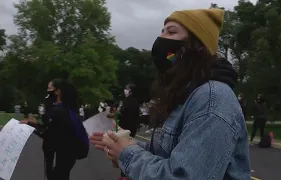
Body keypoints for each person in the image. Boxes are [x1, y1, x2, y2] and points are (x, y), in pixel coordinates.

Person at [90, 8, 250, 180]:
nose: (161, 39)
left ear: (197, 46)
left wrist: (126, 154)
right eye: (162, 31)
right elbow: (167, 154)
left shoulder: (212, 98)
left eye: (171, 31)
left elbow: (182, 176)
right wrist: (124, 144)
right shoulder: (184, 94)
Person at [21, 79, 89, 180]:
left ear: (57, 91)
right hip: (69, 153)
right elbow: (54, 129)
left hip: (64, 153)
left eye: (49, 88)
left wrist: (31, 124)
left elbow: (47, 133)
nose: (47, 92)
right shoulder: (68, 109)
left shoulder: (58, 111)